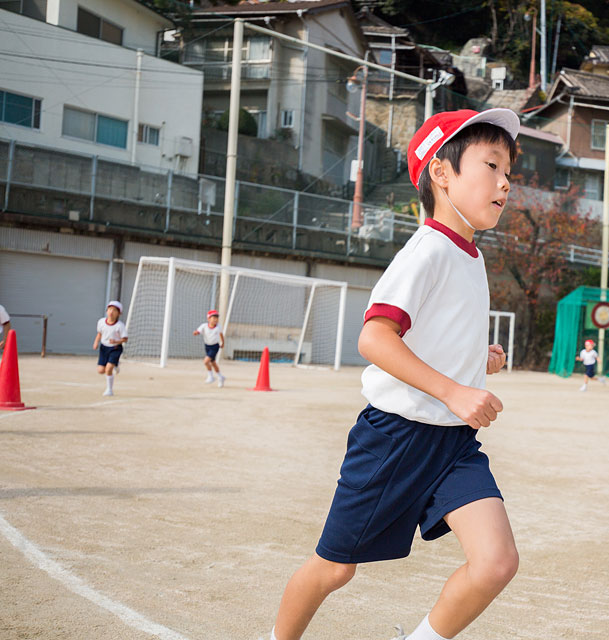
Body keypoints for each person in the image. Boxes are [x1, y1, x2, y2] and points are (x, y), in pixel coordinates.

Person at [271, 108, 520, 640]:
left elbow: (432, 336)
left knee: (495, 562)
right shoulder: (426, 251)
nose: (505, 182)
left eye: (509, 171)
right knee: (335, 569)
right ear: (442, 173)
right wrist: (454, 390)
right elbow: (375, 338)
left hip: (453, 444)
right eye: (492, 165)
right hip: (394, 439)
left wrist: (476, 358)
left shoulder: (470, 256)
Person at [93, 301, 127, 396]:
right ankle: (115, 364)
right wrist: (96, 342)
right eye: (110, 309)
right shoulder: (101, 322)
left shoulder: (120, 325)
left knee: (108, 369)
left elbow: (125, 339)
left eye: (114, 310)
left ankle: (109, 390)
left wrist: (116, 341)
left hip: (115, 348)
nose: (111, 312)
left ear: (119, 313)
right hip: (104, 348)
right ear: (106, 311)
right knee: (101, 371)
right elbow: (99, 333)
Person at [193, 310, 225, 388]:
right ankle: (220, 377)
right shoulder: (204, 326)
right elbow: (198, 331)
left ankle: (210, 376)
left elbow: (221, 335)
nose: (215, 320)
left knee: (206, 361)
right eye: (213, 318)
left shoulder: (218, 327)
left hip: (215, 346)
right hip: (207, 346)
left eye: (217, 318)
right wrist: (196, 332)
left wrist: (222, 343)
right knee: (213, 363)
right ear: (208, 319)